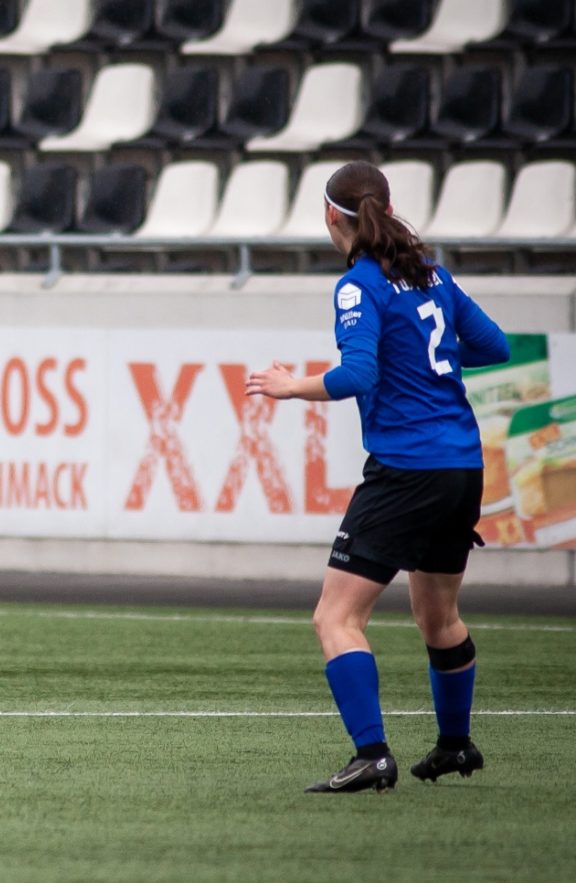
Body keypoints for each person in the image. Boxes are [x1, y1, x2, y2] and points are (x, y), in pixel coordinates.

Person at [246, 161, 509, 793]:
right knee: (438, 615)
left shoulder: (357, 286)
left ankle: (371, 754)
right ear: (386, 210)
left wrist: (291, 387)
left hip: (407, 472)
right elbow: (495, 345)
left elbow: (357, 374)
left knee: (335, 619)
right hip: (461, 466)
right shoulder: (433, 275)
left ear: (331, 218)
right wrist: (433, 356)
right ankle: (454, 745)